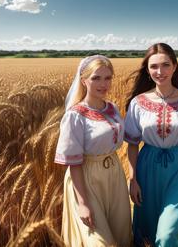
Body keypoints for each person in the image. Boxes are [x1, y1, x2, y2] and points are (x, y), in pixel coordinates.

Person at [124, 43, 178, 247]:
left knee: (167, 235)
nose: (159, 72)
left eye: (165, 65)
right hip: (148, 168)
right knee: (151, 231)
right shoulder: (138, 102)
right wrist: (133, 178)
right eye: (153, 66)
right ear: (147, 69)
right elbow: (132, 145)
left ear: (175, 66)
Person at [54, 55, 132, 246]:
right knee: (98, 241)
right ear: (83, 80)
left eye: (108, 78)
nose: (103, 84)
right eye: (96, 78)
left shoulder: (112, 108)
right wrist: (82, 203)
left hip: (114, 175)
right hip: (87, 178)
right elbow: (74, 162)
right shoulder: (75, 115)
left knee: (121, 234)